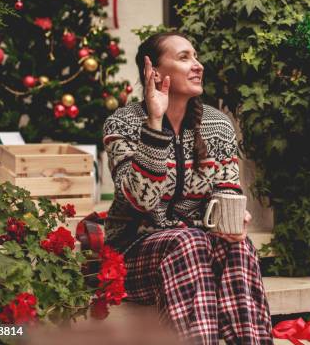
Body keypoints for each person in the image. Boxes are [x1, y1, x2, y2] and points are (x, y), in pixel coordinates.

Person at [102, 32, 273, 345]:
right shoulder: (123, 123)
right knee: (190, 242)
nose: (198, 65)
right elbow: (140, 200)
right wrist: (154, 124)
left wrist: (234, 219)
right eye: (184, 58)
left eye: (195, 56)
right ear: (153, 72)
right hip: (132, 254)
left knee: (239, 246)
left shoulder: (217, 125)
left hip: (195, 251)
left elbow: (227, 189)